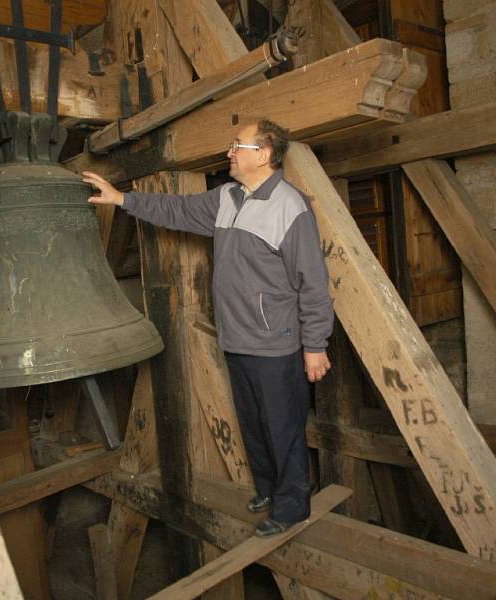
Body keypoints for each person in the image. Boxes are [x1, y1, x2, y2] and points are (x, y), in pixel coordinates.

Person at [83, 119, 334, 537]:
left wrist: (315, 345)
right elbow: (176, 211)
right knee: (253, 423)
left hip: (276, 342)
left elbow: (313, 282)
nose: (230, 151)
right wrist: (122, 199)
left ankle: (293, 507)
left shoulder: (292, 206)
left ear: (265, 155)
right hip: (236, 338)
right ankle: (268, 490)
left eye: (239, 145)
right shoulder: (228, 198)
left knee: (282, 426)